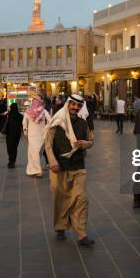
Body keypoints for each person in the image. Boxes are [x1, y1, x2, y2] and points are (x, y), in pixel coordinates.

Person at [44, 94, 94, 246]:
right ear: (68, 104)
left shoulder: (83, 123)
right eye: (73, 105)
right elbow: (47, 144)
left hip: (78, 166)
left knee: (81, 199)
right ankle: (60, 227)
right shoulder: (56, 122)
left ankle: (81, 233)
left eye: (78, 106)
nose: (75, 108)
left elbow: (91, 141)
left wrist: (83, 143)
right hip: (59, 168)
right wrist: (52, 162)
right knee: (61, 199)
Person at [23, 97, 51, 177]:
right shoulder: (44, 111)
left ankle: (37, 171)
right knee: (36, 153)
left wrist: (25, 132)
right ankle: (31, 170)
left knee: (33, 153)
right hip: (41, 134)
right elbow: (50, 121)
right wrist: (46, 129)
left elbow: (24, 123)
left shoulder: (28, 112)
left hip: (32, 135)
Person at [4, 102, 23, 168]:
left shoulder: (9, 115)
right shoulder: (20, 116)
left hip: (9, 135)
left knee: (9, 148)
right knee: (14, 148)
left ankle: (11, 161)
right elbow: (22, 125)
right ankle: (12, 162)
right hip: (17, 134)